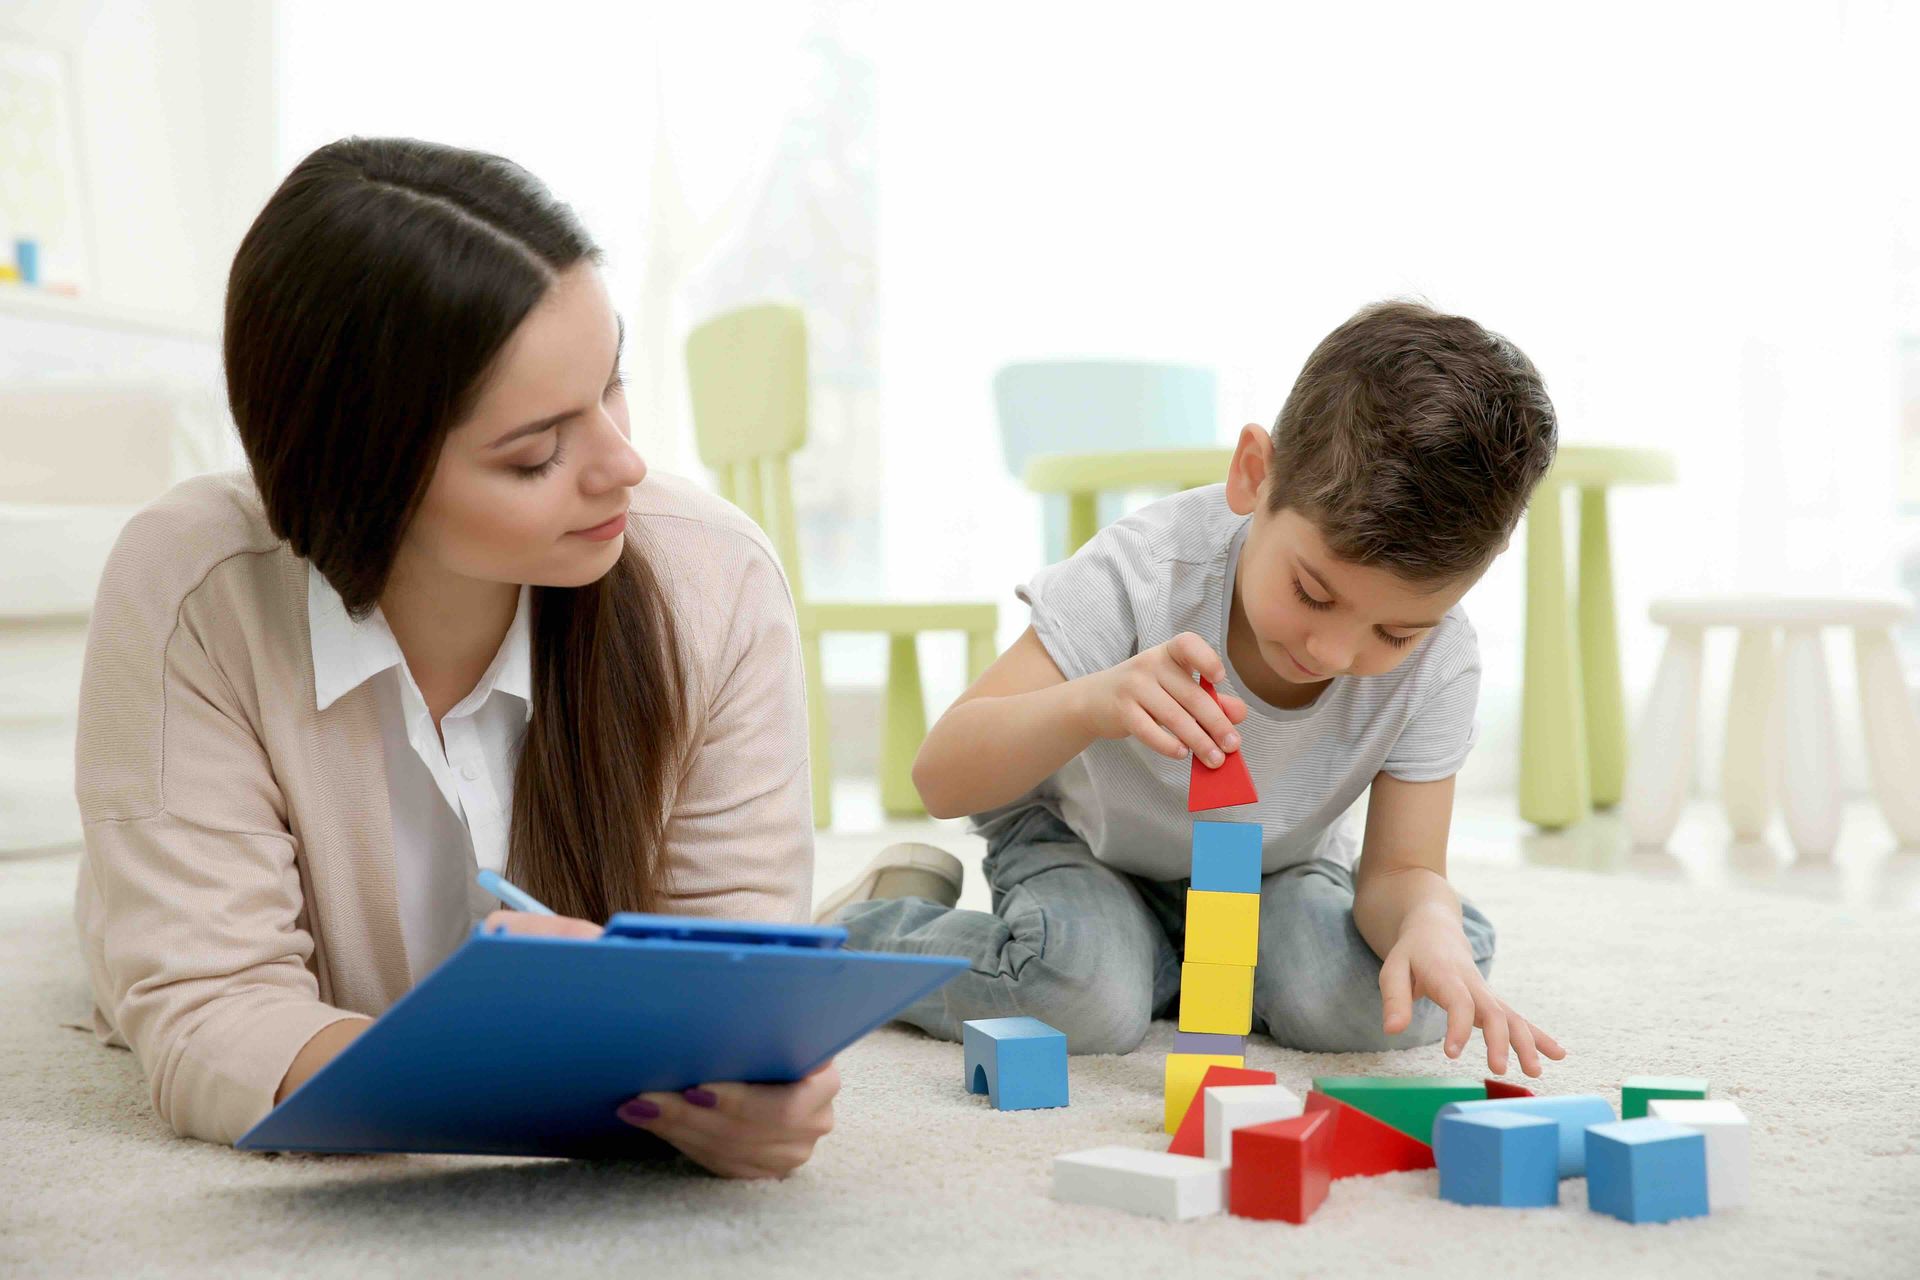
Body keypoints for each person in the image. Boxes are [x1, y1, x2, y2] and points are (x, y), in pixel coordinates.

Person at [72, 137, 835, 1178]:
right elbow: (209, 1011)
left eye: (613, 387)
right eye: (536, 452)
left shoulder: (716, 584)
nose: (625, 463)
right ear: (364, 471)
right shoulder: (194, 585)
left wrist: (742, 1089)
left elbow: (740, 982)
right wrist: (524, 1064)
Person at [817, 301, 1569, 1078]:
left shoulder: (1442, 656)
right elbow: (940, 775)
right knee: (1082, 998)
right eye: (1313, 593)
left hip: (1275, 872)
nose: (1335, 650)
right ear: (1254, 475)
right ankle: (864, 932)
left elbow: (1401, 871)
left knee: (1392, 995)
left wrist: (1425, 921)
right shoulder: (1143, 573)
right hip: (1087, 848)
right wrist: (1091, 702)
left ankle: (1170, 968)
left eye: (1395, 633)